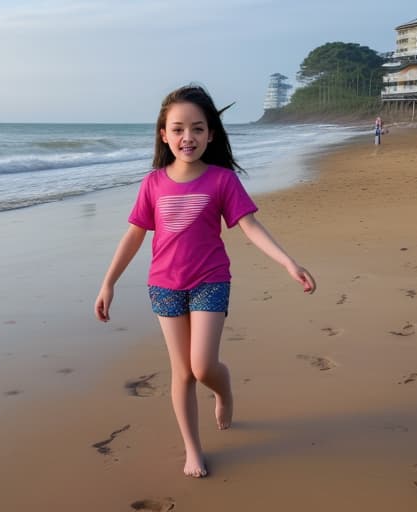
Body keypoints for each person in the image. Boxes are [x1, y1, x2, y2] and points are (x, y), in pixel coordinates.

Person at [94, 84, 316, 478]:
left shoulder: (221, 180)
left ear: (211, 133)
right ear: (164, 134)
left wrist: (288, 262)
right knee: (181, 372)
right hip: (163, 285)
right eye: (178, 129)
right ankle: (192, 449)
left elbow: (249, 226)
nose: (187, 137)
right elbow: (134, 235)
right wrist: (108, 282)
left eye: (197, 128)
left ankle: (223, 389)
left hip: (210, 281)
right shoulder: (153, 183)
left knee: (202, 366)